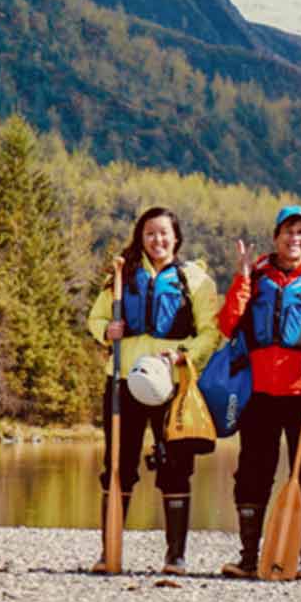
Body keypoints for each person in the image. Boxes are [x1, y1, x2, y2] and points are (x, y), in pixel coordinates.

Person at [214, 205, 301, 579]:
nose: (294, 239)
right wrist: (242, 279)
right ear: (276, 237)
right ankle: (248, 555)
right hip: (258, 392)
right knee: (253, 473)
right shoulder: (256, 274)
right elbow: (228, 323)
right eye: (288, 232)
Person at [85, 207, 222, 575]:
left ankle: (175, 556)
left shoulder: (195, 280)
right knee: (117, 464)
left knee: (176, 467)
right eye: (150, 233)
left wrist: (183, 355)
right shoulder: (121, 274)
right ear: (140, 237)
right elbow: (95, 318)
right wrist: (105, 331)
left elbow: (211, 332)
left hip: (172, 385)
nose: (157, 240)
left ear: (176, 237)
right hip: (123, 381)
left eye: (164, 233)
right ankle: (108, 550)